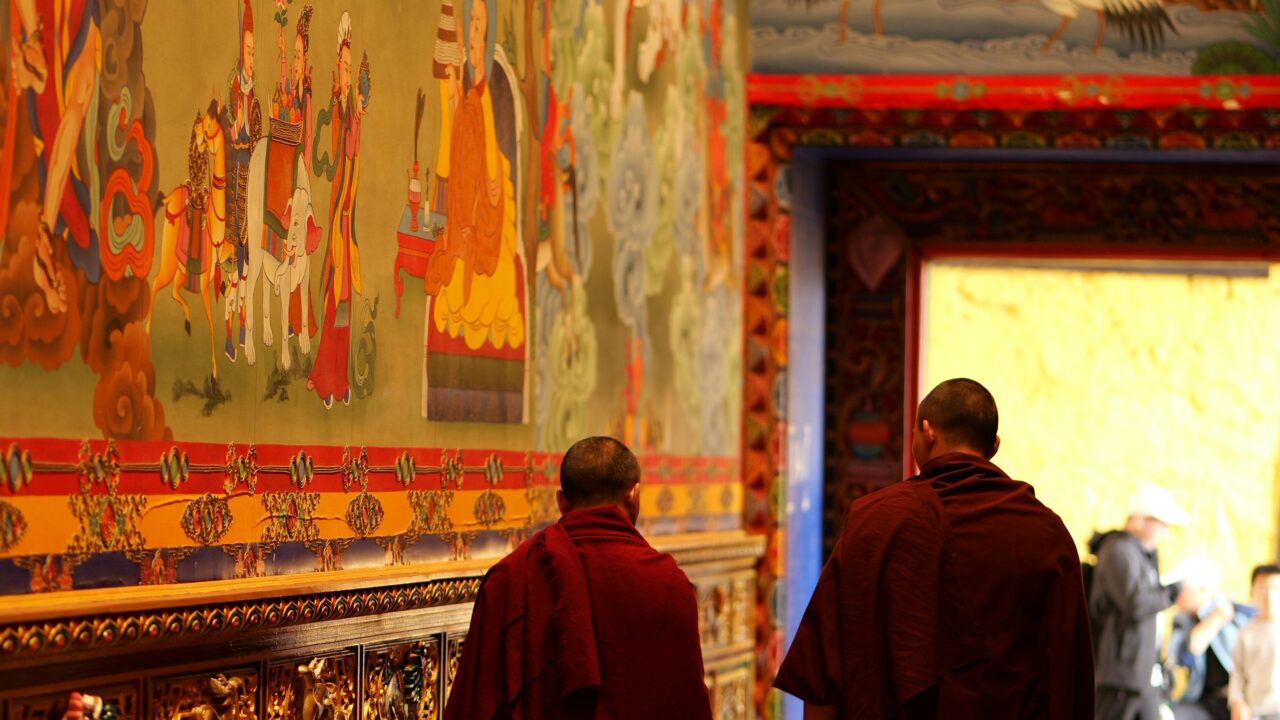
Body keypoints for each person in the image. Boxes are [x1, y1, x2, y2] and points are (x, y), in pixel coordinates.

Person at [774, 378, 1094, 719]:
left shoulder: (878, 520)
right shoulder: (1047, 533)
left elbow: (826, 665)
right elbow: (1070, 673)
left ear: (927, 433)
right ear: (994, 446)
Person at [442, 436, 712, 720]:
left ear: (561, 501)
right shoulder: (670, 584)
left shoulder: (510, 578)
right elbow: (687, 704)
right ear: (634, 496)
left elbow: (474, 707)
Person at [1092, 484, 1189, 720]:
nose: (1163, 533)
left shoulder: (1139, 554)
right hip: (1120, 676)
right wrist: (1175, 590)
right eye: (1161, 524)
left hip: (1140, 676)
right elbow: (1135, 603)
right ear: (1139, 520)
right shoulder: (1119, 549)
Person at [1169, 558, 1255, 720]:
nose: (1176, 596)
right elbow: (1183, 656)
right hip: (1203, 702)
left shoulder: (1240, 614)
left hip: (1242, 698)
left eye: (1182, 589)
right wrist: (1214, 620)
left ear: (1203, 590)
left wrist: (1240, 699)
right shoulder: (1181, 621)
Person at [1229, 565, 1280, 720]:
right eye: (1263, 588)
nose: (1269, 595)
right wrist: (1237, 701)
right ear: (1253, 592)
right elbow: (1237, 675)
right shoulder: (1245, 632)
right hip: (1254, 711)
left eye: (1275, 588)